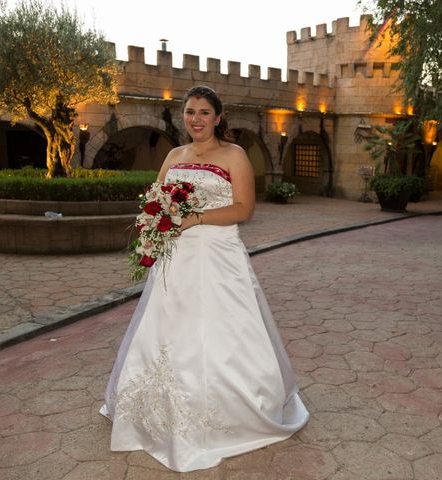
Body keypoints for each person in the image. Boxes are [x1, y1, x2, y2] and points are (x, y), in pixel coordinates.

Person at [99, 85, 309, 472]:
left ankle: (234, 409)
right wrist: (153, 231)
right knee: (167, 327)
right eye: (190, 112)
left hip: (217, 256)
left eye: (204, 113)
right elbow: (157, 198)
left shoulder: (235, 155)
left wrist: (191, 219)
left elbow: (244, 208)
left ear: (218, 117)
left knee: (221, 329)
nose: (196, 119)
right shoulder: (175, 155)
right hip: (176, 258)